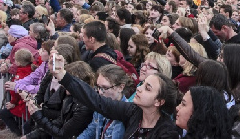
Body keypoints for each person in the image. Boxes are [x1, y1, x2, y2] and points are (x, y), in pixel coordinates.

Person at [50, 51, 180, 138]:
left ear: (159, 101)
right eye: (143, 84)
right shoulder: (133, 111)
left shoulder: (167, 132)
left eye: (148, 88)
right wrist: (62, 75)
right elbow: (96, 100)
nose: (139, 89)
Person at [24, 61, 95, 139]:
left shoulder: (85, 106)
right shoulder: (70, 97)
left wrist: (38, 115)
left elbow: (63, 134)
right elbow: (59, 122)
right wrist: (31, 136)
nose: (62, 84)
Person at [78, 64, 134, 139]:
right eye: (98, 87)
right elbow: (91, 130)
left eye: (105, 88)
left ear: (121, 87)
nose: (100, 92)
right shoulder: (100, 105)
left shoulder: (125, 115)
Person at [0, 49, 34, 136]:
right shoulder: (32, 68)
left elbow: (15, 92)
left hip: (23, 105)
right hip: (27, 103)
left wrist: (13, 102)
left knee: (4, 113)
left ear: (18, 62)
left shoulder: (21, 73)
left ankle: (17, 134)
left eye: (15, 60)